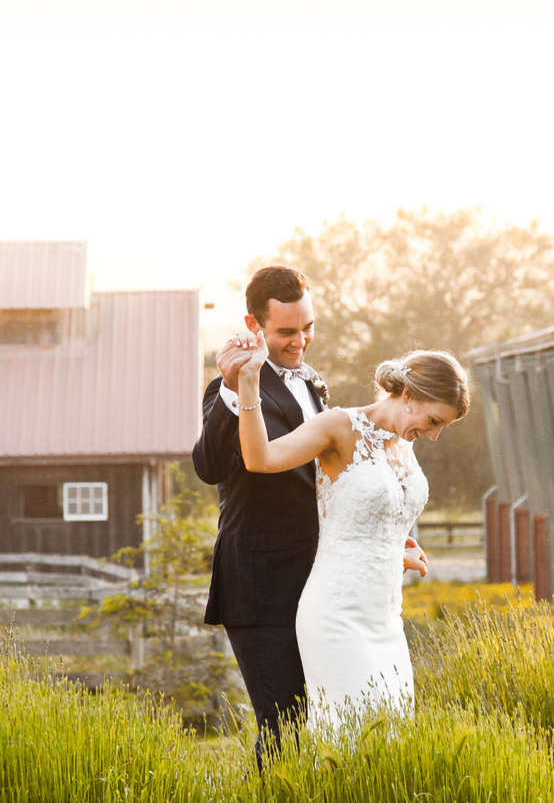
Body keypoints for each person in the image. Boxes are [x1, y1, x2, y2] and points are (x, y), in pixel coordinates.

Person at [230, 336, 468, 734]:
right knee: (349, 741)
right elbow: (260, 459)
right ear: (409, 394)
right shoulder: (338, 427)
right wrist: (248, 383)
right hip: (336, 615)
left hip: (386, 619)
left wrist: (394, 551)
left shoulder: (401, 444)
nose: (434, 436)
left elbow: (370, 521)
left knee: (392, 741)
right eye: (434, 422)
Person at [192, 265, 328, 767]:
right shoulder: (224, 391)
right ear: (254, 325)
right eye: (286, 332)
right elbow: (208, 467)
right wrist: (232, 389)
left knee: (322, 719)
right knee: (283, 728)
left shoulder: (312, 385)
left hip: (317, 582)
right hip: (259, 585)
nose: (301, 341)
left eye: (308, 327)